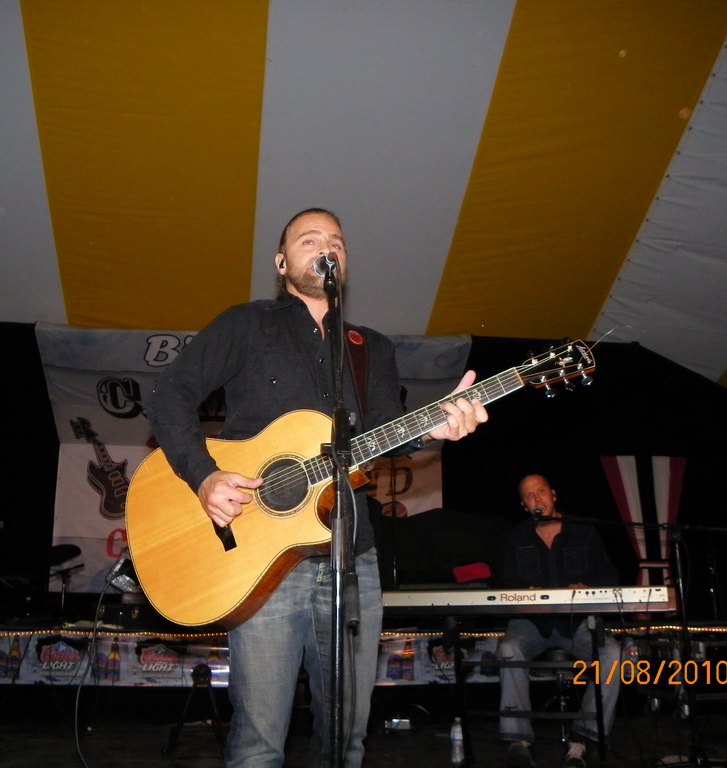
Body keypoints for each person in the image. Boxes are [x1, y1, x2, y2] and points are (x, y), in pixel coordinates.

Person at [147, 208, 487, 768]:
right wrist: (204, 475)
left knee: (346, 738)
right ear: (282, 263)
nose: (327, 246)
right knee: (259, 742)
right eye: (309, 239)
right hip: (260, 561)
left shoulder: (371, 347)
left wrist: (436, 427)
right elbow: (169, 395)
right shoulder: (246, 324)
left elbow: (386, 435)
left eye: (336, 240)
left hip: (353, 557)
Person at [496, 474, 622, 768]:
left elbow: (609, 576)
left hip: (576, 622)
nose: (536, 498)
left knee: (612, 654)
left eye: (541, 491)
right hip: (531, 623)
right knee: (509, 649)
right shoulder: (516, 536)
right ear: (523, 505)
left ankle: (582, 739)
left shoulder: (583, 530)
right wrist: (523, 594)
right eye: (529, 495)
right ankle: (518, 740)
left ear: (553, 495)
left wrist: (588, 589)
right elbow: (504, 585)